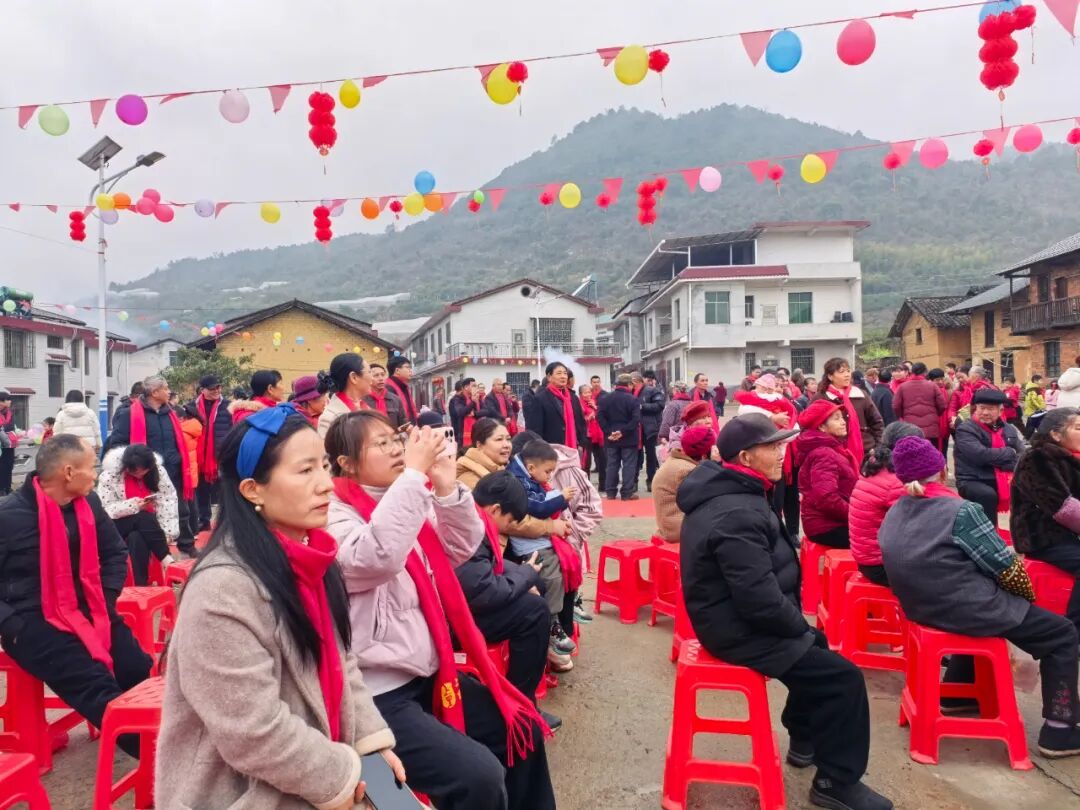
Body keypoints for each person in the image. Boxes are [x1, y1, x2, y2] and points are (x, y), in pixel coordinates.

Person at [155, 402, 403, 808]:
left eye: (324, 466)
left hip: (311, 764)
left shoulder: (311, 559)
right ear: (253, 489)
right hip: (241, 792)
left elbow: (342, 662)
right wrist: (345, 774)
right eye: (305, 471)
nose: (325, 483)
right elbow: (253, 731)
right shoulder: (221, 590)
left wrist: (370, 744)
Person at [324, 411, 555, 810]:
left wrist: (447, 488)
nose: (398, 449)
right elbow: (376, 556)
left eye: (396, 439)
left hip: (429, 670)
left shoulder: (406, 496)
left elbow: (461, 547)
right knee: (478, 777)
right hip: (376, 691)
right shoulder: (334, 514)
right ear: (345, 463)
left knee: (523, 729)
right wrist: (414, 475)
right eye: (382, 444)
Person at [678, 415, 892, 810]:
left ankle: (803, 737)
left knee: (820, 648)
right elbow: (758, 600)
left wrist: (802, 629)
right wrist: (799, 627)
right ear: (745, 456)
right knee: (842, 679)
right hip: (735, 628)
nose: (783, 453)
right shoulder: (735, 511)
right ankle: (836, 783)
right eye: (773, 447)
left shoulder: (739, 492)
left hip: (738, 616)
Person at [879, 436, 1080, 758]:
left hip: (923, 607)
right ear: (943, 471)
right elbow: (1006, 567)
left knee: (976, 603)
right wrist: (1025, 599)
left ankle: (959, 694)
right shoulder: (961, 510)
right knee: (1061, 633)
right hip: (961, 607)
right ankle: (1059, 730)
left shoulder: (896, 509)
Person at [0, 434, 152, 756]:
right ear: (68, 473)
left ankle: (159, 737)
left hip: (89, 607)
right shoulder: (9, 517)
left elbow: (114, 553)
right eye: (91, 467)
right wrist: (12, 626)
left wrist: (106, 602)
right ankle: (159, 759)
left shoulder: (89, 504)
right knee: (97, 686)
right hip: (32, 619)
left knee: (136, 666)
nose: (96, 475)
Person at [464, 471, 560, 729]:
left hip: (467, 602)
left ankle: (523, 696)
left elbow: (488, 566)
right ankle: (521, 704)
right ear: (495, 509)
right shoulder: (468, 530)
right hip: (455, 619)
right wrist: (524, 577)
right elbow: (485, 592)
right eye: (509, 521)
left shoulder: (473, 519)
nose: (509, 527)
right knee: (534, 611)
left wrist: (525, 575)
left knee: (535, 581)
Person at [512, 429, 603, 629]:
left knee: (562, 574)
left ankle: (561, 625)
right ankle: (556, 628)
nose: (547, 476)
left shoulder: (569, 470)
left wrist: (573, 535)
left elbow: (593, 509)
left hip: (565, 541)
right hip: (544, 541)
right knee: (553, 578)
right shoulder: (521, 478)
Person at [506, 440, 580, 669]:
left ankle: (566, 611)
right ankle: (552, 624)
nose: (504, 445)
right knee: (552, 573)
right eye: (497, 439)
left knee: (569, 560)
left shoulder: (525, 476)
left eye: (505, 440)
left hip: (539, 538)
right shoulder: (515, 481)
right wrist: (559, 500)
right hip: (527, 545)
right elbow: (533, 509)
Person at [104, 375, 196, 558]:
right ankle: (157, 548)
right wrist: (135, 464)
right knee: (147, 510)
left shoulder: (169, 412)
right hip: (145, 472)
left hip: (173, 468)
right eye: (165, 388)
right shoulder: (129, 414)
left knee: (181, 509)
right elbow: (116, 443)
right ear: (155, 392)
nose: (169, 391)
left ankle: (186, 545)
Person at [1012, 407, 1080, 631]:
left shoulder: (1069, 457)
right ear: (1056, 434)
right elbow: (1063, 508)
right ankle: (1073, 633)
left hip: (1067, 533)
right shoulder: (1038, 458)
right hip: (1042, 536)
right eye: (1078, 428)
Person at [848, 422, 923, 586]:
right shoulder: (896, 481)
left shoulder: (877, 466)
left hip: (867, 556)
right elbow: (918, 522)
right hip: (879, 564)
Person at [98, 443, 178, 585]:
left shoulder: (158, 472)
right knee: (142, 517)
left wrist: (167, 533)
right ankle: (166, 558)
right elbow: (106, 510)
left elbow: (168, 501)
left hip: (148, 529)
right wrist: (134, 506)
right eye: (135, 472)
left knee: (138, 537)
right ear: (126, 467)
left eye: (144, 471)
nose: (140, 475)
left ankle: (139, 584)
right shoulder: (110, 475)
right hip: (117, 525)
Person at [735, 373, 800, 537]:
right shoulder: (749, 404)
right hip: (763, 459)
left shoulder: (784, 403)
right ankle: (771, 533)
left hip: (788, 456)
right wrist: (773, 418)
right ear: (759, 386)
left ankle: (790, 533)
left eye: (779, 385)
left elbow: (794, 424)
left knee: (789, 498)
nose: (776, 389)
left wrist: (787, 430)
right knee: (770, 500)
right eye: (772, 386)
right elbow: (748, 415)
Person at [953, 388, 1024, 526]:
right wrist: (1009, 453)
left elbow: (1024, 455)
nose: (985, 412)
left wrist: (1005, 463)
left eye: (990, 409)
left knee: (1029, 490)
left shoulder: (1009, 429)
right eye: (981, 408)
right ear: (975, 408)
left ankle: (1024, 535)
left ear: (1000, 411)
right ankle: (988, 537)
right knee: (987, 495)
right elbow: (980, 456)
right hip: (972, 479)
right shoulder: (966, 429)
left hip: (1004, 476)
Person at [796, 400, 858, 549]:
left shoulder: (831, 448)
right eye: (836, 419)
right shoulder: (824, 453)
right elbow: (826, 497)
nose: (843, 422)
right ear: (822, 427)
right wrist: (856, 515)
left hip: (831, 522)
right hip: (827, 526)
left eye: (842, 417)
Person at [652, 425, 714, 543]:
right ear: (705, 452)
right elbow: (708, 501)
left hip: (671, 524)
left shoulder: (678, 460)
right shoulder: (685, 470)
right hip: (676, 529)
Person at [814, 357, 884, 460]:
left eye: (848, 371)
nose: (847, 375)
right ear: (830, 376)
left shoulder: (860, 394)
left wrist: (878, 447)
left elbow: (877, 422)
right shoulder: (821, 398)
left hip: (866, 451)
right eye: (841, 372)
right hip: (834, 453)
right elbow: (811, 427)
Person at [188, 375, 232, 533]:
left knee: (225, 490)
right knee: (201, 491)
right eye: (213, 388)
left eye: (219, 387)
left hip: (219, 455)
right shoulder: (191, 407)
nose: (217, 391)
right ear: (202, 390)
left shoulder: (228, 406)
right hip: (199, 456)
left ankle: (226, 522)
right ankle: (204, 520)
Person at [597, 373, 641, 501]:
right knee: (629, 465)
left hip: (611, 438)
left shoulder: (605, 398)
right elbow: (636, 419)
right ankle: (627, 493)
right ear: (629, 385)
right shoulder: (633, 399)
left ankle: (610, 492)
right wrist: (622, 432)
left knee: (611, 465)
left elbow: (599, 416)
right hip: (629, 437)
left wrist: (609, 432)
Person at [524, 362, 581, 450]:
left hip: (572, 448)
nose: (563, 376)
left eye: (565, 373)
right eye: (559, 373)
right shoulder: (540, 398)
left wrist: (581, 443)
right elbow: (534, 428)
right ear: (549, 377)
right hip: (550, 449)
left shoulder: (573, 398)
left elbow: (580, 422)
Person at [318, 352, 373, 439]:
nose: (372, 378)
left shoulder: (365, 407)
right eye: (369, 372)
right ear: (354, 377)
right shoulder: (329, 418)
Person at [893, 361, 947, 448]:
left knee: (913, 456)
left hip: (911, 429)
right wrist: (935, 414)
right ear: (925, 372)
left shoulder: (902, 387)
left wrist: (903, 416)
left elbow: (896, 406)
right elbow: (942, 405)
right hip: (931, 430)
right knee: (931, 455)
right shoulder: (933, 386)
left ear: (912, 372)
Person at [633, 370, 665, 491]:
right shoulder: (631, 392)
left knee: (651, 457)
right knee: (635, 457)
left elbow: (660, 405)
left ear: (636, 381)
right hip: (635, 429)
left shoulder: (652, 390)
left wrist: (643, 406)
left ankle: (651, 481)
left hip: (650, 428)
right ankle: (633, 482)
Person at [53, 389, 102, 455]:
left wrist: (56, 447)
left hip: (68, 448)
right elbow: (96, 430)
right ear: (82, 399)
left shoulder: (61, 414)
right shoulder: (90, 413)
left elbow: (57, 432)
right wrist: (98, 444)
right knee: (86, 464)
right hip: (88, 447)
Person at [578, 385, 605, 491]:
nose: (588, 394)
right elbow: (580, 419)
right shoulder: (579, 404)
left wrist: (595, 407)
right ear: (580, 394)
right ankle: (586, 486)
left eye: (589, 392)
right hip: (587, 436)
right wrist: (588, 418)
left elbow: (601, 415)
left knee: (602, 460)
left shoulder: (594, 402)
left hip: (598, 435)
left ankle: (603, 485)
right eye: (585, 393)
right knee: (586, 462)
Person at [364, 363, 407, 428]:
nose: (381, 378)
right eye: (376, 375)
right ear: (369, 378)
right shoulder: (363, 400)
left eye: (383, 375)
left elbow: (403, 424)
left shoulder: (395, 399)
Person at [386, 355, 420, 424]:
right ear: (397, 370)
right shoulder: (388, 388)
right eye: (407, 367)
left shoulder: (403, 386)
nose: (410, 370)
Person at [449, 378, 478, 450]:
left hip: (474, 430)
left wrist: (474, 413)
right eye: (473, 386)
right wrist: (473, 403)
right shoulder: (457, 399)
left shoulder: (474, 397)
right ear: (466, 387)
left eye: (476, 386)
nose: (475, 388)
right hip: (461, 432)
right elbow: (461, 412)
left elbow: (485, 411)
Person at [0, 390, 17, 495]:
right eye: (8, 399)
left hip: (10, 443)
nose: (10, 401)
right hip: (1, 443)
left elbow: (11, 426)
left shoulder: (9, 412)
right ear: (1, 401)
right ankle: (1, 488)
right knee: (1, 465)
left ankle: (8, 486)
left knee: (9, 465)